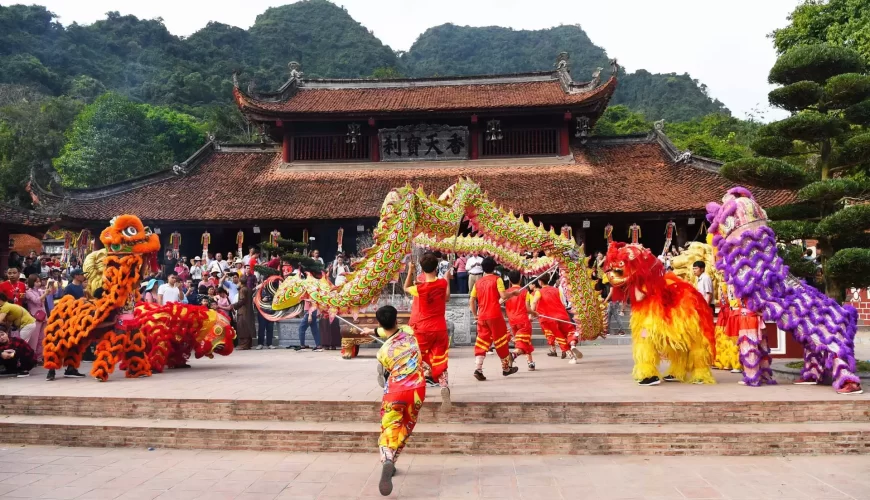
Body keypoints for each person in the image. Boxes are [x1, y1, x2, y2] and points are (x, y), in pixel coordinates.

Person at [359, 305, 425, 496]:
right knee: (406, 425)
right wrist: (374, 331)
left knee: (390, 428)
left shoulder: (383, 352)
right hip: (417, 390)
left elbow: (384, 375)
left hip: (395, 393)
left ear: (379, 322)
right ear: (397, 319)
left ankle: (387, 458)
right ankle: (393, 461)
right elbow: (395, 329)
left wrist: (370, 331)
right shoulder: (410, 333)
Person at [403, 253, 451, 411]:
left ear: (421, 269)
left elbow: (405, 288)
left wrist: (410, 271)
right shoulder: (443, 283)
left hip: (423, 328)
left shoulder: (419, 288)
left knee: (417, 359)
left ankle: (416, 388)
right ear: (436, 267)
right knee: (440, 358)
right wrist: (448, 278)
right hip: (439, 327)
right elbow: (447, 297)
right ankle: (443, 385)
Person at [468, 257, 520, 380]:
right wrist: (512, 293)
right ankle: (506, 368)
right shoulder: (497, 279)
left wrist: (475, 314)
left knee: (481, 342)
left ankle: (478, 368)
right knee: (501, 341)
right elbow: (503, 295)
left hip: (482, 316)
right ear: (494, 268)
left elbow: (471, 300)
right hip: (495, 315)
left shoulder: (478, 283)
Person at [530, 275, 583, 364]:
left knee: (560, 337)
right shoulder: (557, 290)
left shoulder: (539, 292)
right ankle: (573, 344)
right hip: (562, 315)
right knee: (570, 332)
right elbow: (563, 302)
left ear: (540, 282)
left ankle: (572, 357)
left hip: (551, 318)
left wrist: (531, 315)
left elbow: (534, 302)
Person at [505, 271, 536, 371]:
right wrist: (534, 313)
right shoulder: (524, 291)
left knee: (524, 341)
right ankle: (513, 355)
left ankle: (530, 363)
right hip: (522, 321)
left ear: (509, 280)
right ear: (520, 279)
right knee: (522, 343)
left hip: (512, 321)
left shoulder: (507, 293)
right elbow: (527, 309)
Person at [24, 275, 51, 356]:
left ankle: (39, 356)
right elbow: (36, 301)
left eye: (39, 281)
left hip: (43, 316)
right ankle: (32, 357)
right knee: (34, 338)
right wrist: (45, 293)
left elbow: (51, 292)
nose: (39, 283)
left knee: (42, 338)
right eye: (37, 281)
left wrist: (50, 286)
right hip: (34, 317)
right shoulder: (28, 292)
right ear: (32, 282)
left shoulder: (40, 290)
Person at [255, 282, 276, 349]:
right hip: (262, 312)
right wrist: (262, 300)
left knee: (270, 328)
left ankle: (269, 344)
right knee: (261, 328)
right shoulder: (259, 291)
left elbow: (276, 300)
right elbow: (255, 300)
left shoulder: (272, 291)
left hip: (270, 312)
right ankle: (260, 344)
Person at [234, 281, 254, 350]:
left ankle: (244, 345)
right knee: (247, 327)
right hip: (248, 311)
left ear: (241, 282)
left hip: (243, 311)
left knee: (242, 328)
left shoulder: (242, 289)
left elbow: (242, 300)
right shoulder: (249, 289)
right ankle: (248, 344)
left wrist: (234, 305)